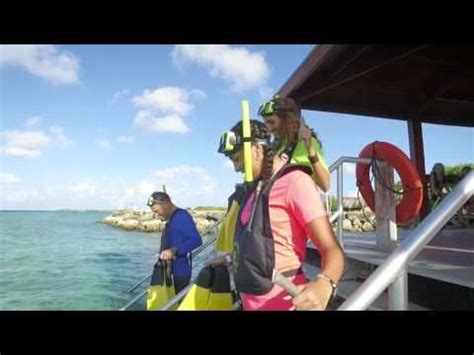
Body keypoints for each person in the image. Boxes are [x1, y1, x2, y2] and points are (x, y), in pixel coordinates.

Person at [215, 120, 345, 311]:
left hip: (284, 302)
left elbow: (332, 250)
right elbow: (252, 243)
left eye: (237, 159)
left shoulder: (295, 182)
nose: (236, 168)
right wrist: (228, 259)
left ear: (257, 150)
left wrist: (325, 282)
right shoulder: (252, 191)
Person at [258, 95, 330, 192]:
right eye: (266, 123)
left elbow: (325, 186)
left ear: (286, 120)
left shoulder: (306, 143)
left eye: (272, 122)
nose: (269, 128)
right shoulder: (278, 147)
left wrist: (310, 150)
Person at [147, 191, 202, 294]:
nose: (155, 215)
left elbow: (196, 240)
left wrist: (174, 250)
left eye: (156, 211)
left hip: (179, 274)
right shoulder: (171, 218)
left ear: (165, 203)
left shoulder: (182, 216)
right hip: (169, 272)